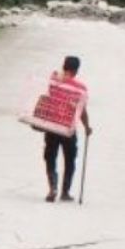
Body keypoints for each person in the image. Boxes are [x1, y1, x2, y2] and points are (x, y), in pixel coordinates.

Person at [44, 55, 92, 202]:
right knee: (70, 159)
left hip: (52, 125)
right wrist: (87, 126)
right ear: (77, 70)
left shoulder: (53, 80)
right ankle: (65, 191)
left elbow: (51, 91)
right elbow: (81, 111)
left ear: (64, 66)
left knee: (50, 156)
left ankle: (53, 187)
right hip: (68, 129)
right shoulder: (81, 89)